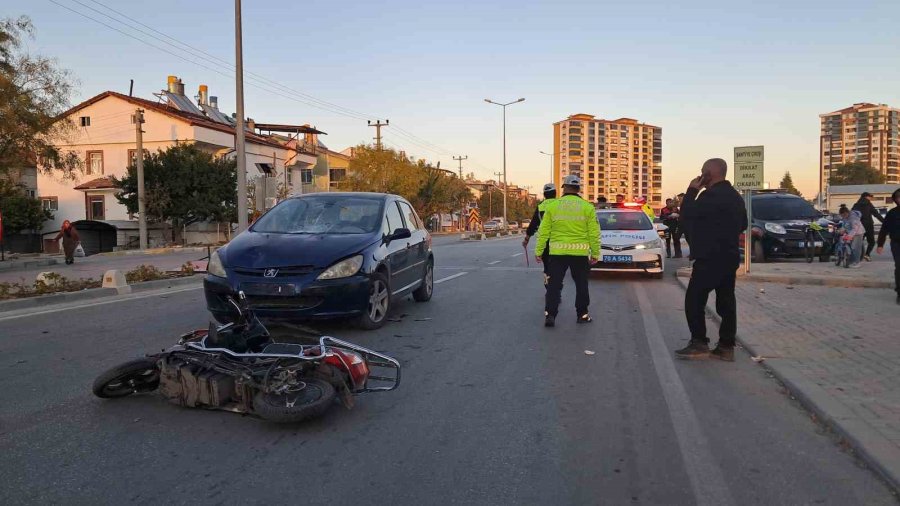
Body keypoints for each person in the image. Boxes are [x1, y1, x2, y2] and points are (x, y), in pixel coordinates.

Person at [675, 158, 747, 362]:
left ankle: (698, 342)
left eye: (702, 172)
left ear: (709, 174)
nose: (700, 176)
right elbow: (743, 224)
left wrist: (691, 191)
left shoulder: (708, 196)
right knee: (726, 302)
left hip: (709, 258)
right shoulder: (736, 197)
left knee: (694, 300)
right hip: (730, 257)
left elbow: (686, 217)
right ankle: (726, 346)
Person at [535, 175, 600, 327]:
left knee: (554, 285)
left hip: (557, 254)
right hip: (580, 254)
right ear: (579, 189)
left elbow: (544, 232)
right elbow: (594, 233)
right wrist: (595, 253)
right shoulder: (587, 207)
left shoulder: (552, 206)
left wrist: (539, 251)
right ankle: (582, 315)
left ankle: (550, 315)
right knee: (581, 285)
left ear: (564, 188)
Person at [523, 183, 558, 288]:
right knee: (558, 268)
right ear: (555, 193)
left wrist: (526, 239)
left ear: (544, 194)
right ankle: (557, 289)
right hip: (560, 242)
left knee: (547, 268)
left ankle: (549, 288)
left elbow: (533, 225)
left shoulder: (541, 207)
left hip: (545, 243)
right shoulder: (561, 205)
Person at [875, 188, 900, 305]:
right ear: (895, 199)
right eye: (898, 197)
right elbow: (884, 229)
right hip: (897, 243)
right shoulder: (892, 213)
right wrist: (880, 244)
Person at [852, 191, 885, 261]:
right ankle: (867, 254)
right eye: (870, 197)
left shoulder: (855, 205)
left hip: (858, 227)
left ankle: (858, 256)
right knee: (872, 242)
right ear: (866, 197)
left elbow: (852, 215)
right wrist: (885, 222)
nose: (870, 198)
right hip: (868, 226)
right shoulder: (868, 204)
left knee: (859, 241)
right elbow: (876, 214)